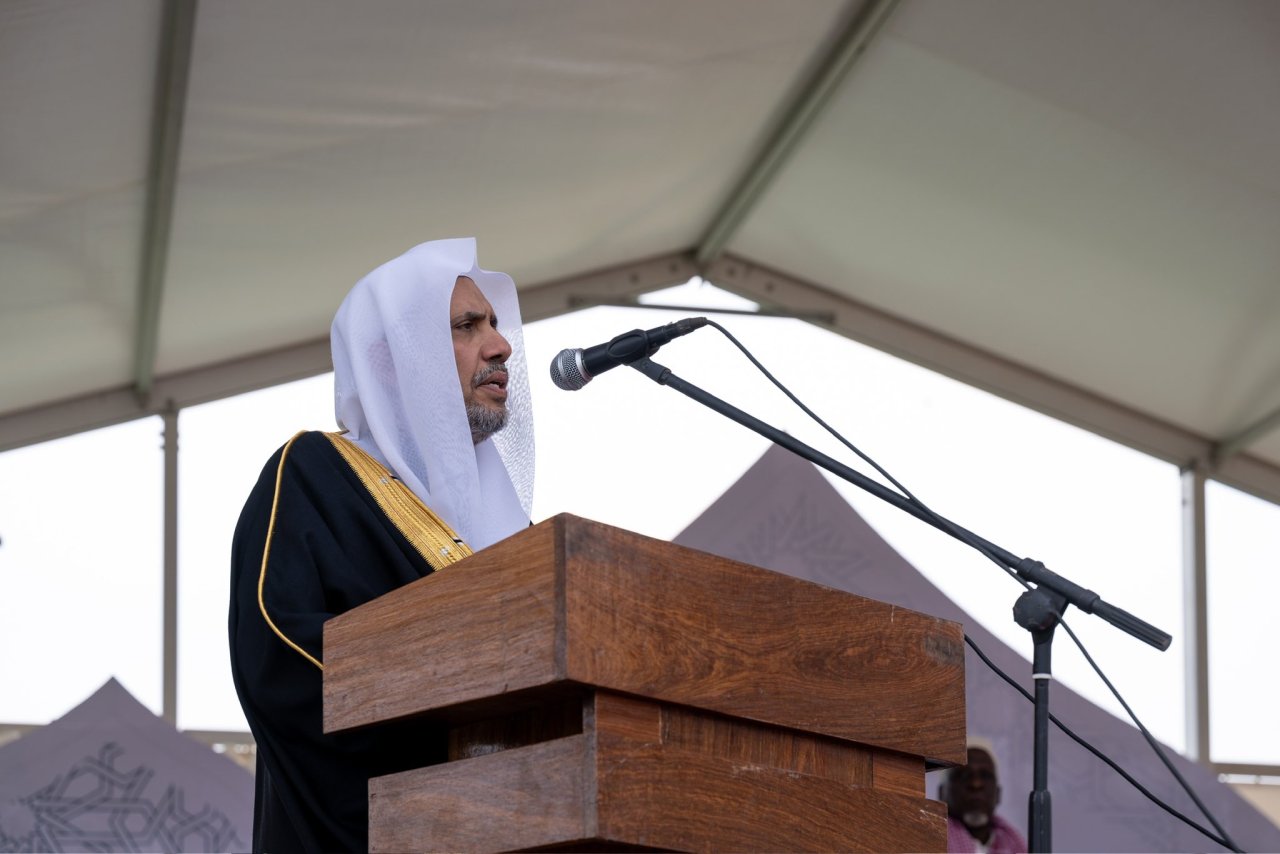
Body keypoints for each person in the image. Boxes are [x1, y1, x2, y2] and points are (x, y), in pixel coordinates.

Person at [228, 237, 534, 852]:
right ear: (397, 357)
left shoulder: (509, 525)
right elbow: (278, 659)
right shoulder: (313, 475)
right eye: (467, 326)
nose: (501, 346)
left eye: (495, 325)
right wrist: (448, 730)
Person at [940, 741, 1028, 854]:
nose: (976, 784)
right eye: (964, 775)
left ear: (998, 793)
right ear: (942, 792)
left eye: (985, 776)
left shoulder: (1015, 844)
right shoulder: (929, 839)